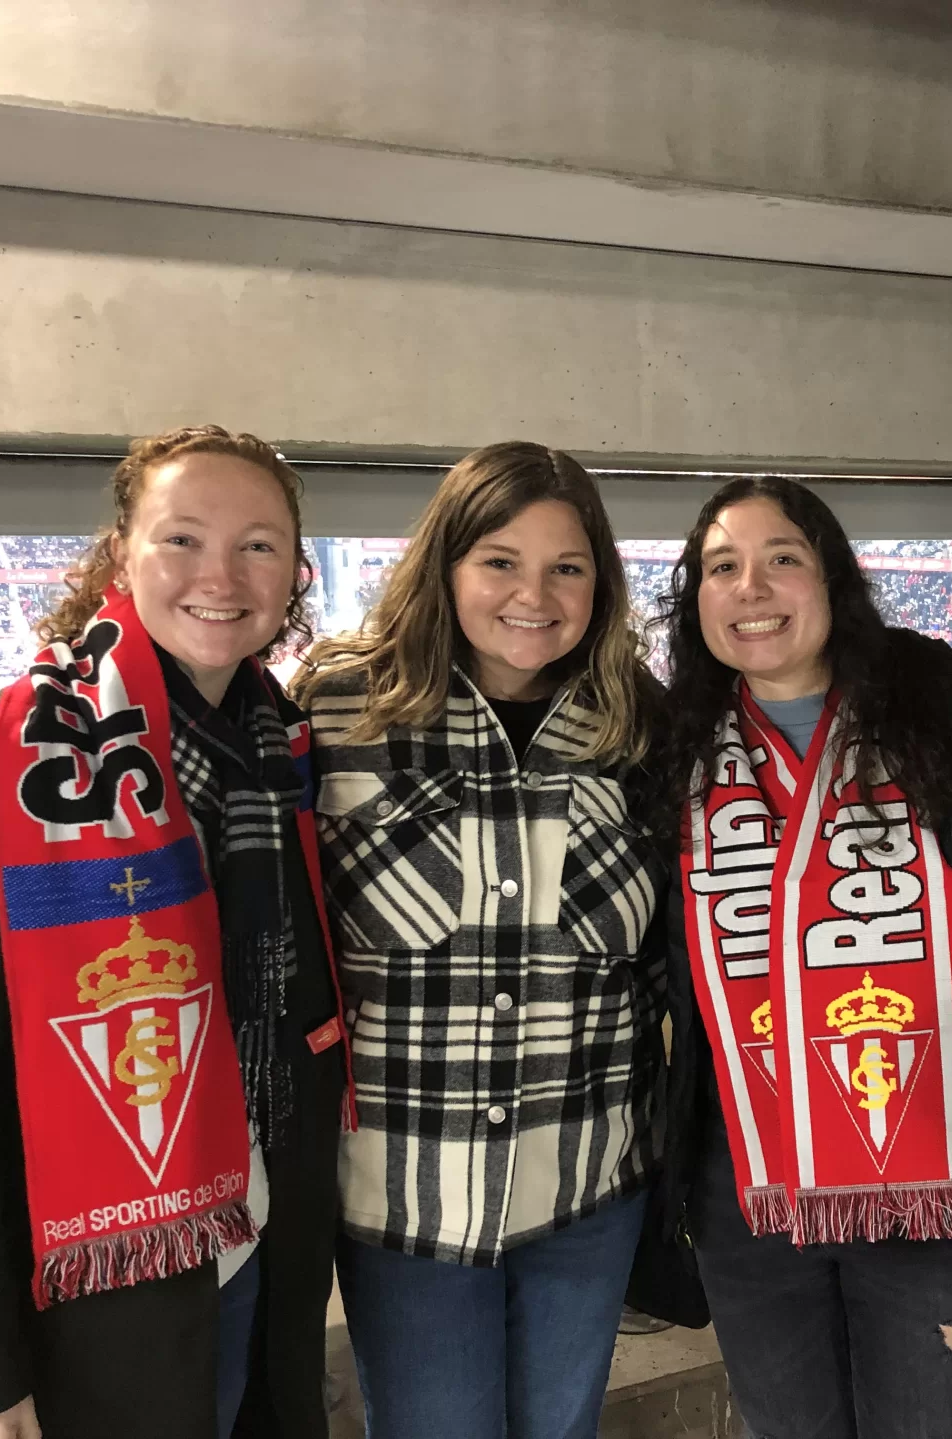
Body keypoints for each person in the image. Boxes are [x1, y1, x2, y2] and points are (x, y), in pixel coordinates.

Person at [0, 426, 352, 1439]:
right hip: (74, 1303)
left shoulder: (285, 759)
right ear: (121, 551)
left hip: (251, 1269)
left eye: (257, 544)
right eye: (182, 538)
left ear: (291, 574)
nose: (220, 574)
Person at [295, 441, 667, 1439]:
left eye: (566, 566)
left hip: (587, 1186)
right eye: (499, 560)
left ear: (600, 582)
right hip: (402, 1200)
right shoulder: (337, 707)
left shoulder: (637, 724)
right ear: (446, 565)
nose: (532, 594)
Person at [653, 476, 952, 1439]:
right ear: (693, 597)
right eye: (721, 567)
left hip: (932, 1183)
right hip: (749, 1187)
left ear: (834, 581)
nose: (752, 587)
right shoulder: (668, 753)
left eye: (783, 558)